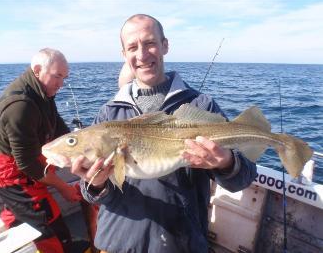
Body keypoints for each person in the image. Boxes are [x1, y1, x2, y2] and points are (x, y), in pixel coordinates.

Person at [72, 14, 257, 253]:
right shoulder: (108, 115)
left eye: (149, 43)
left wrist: (226, 162)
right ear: (124, 55)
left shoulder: (201, 105)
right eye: (132, 47)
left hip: (181, 242)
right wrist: (95, 184)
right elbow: (93, 195)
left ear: (164, 45)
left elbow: (244, 177)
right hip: (118, 243)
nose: (142, 54)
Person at [0, 48, 82, 253]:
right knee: (52, 232)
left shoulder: (44, 92)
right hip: (13, 177)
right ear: (38, 70)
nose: (61, 83)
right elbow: (27, 163)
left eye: (64, 77)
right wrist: (63, 187)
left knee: (26, 217)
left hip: (30, 169)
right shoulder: (20, 105)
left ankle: (15, 217)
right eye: (57, 76)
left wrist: (83, 154)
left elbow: (59, 129)